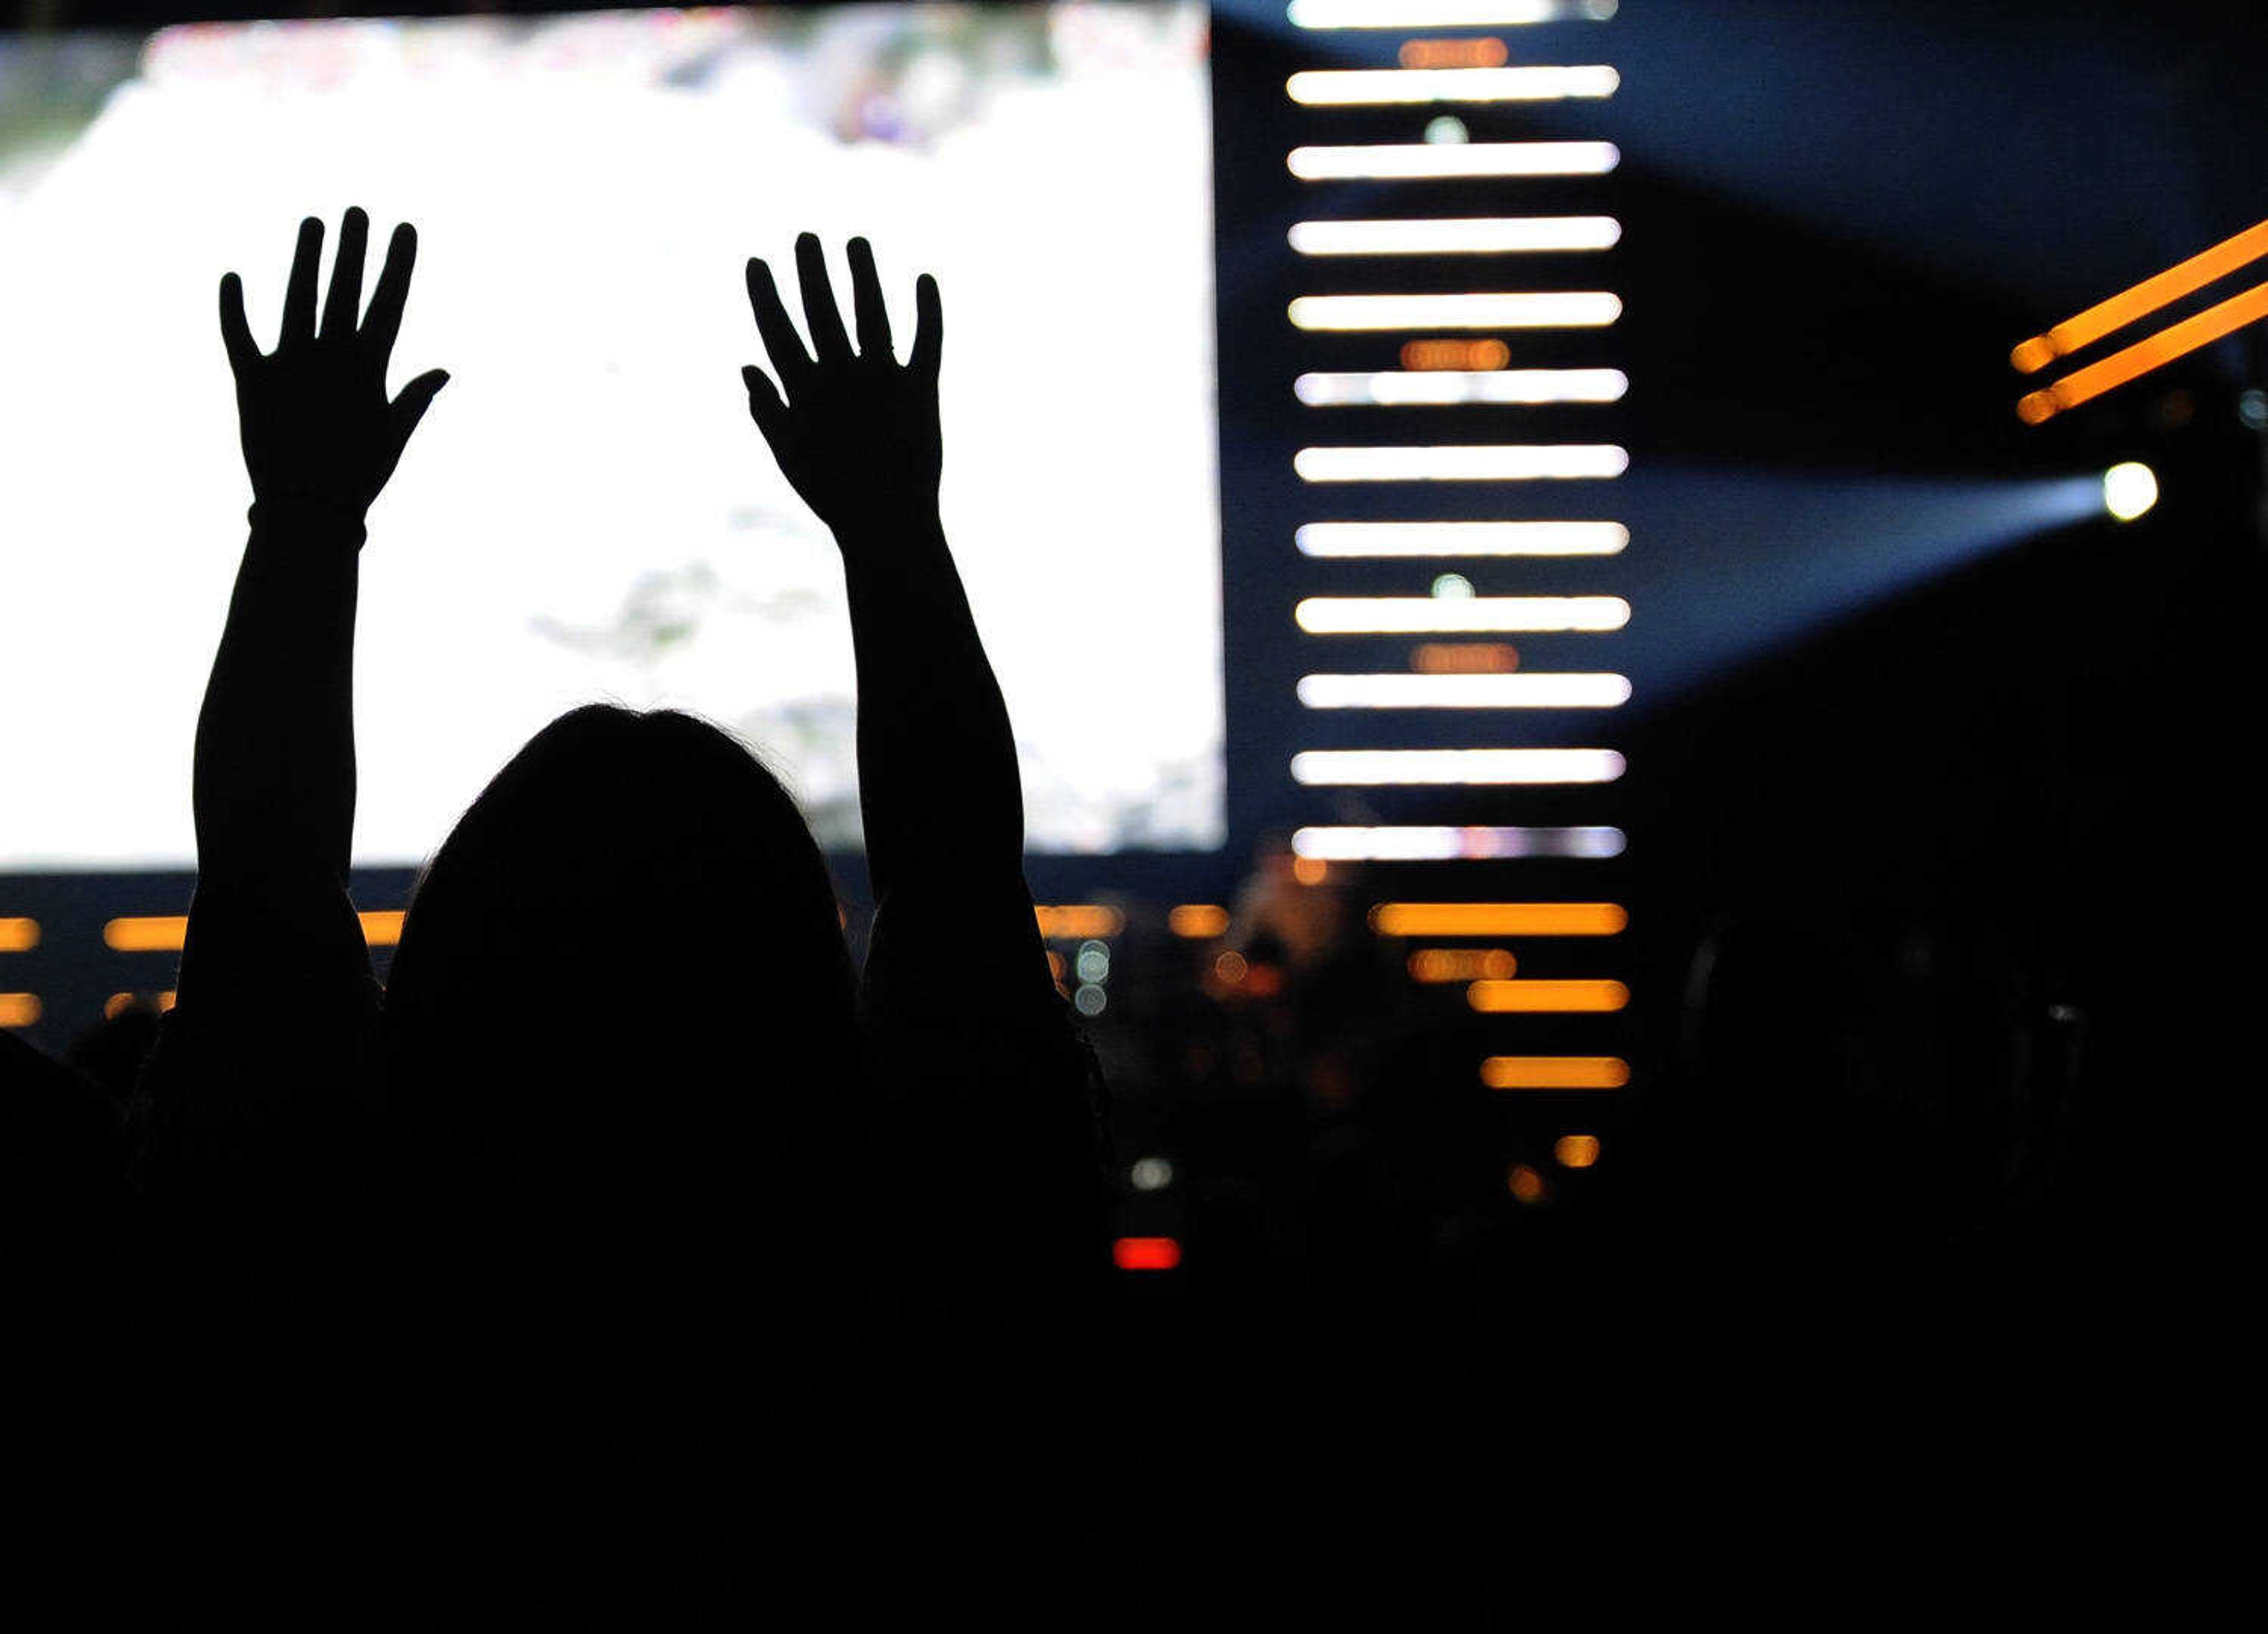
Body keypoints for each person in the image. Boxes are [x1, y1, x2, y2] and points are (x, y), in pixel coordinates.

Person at [130, 210, 1106, 1601]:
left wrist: (298, 517)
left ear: (454, 978)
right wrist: (892, 529)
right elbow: (955, 893)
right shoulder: (933, 1301)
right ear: (801, 990)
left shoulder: (321, 1297)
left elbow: (262, 897)